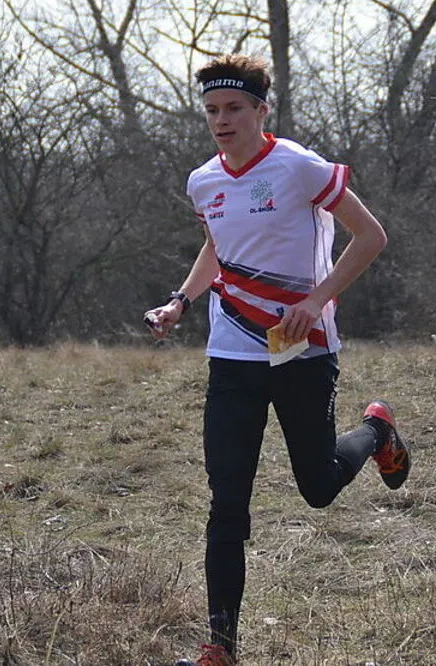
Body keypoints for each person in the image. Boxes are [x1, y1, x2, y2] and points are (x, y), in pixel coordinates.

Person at [144, 55, 412, 666]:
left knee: (318, 488)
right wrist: (180, 301)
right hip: (232, 355)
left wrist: (317, 301)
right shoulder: (202, 182)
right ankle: (221, 648)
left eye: (234, 109)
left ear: (261, 111)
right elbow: (217, 248)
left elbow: (371, 236)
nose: (222, 120)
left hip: (302, 351)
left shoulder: (297, 167)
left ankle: (377, 430)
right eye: (212, 111)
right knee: (226, 501)